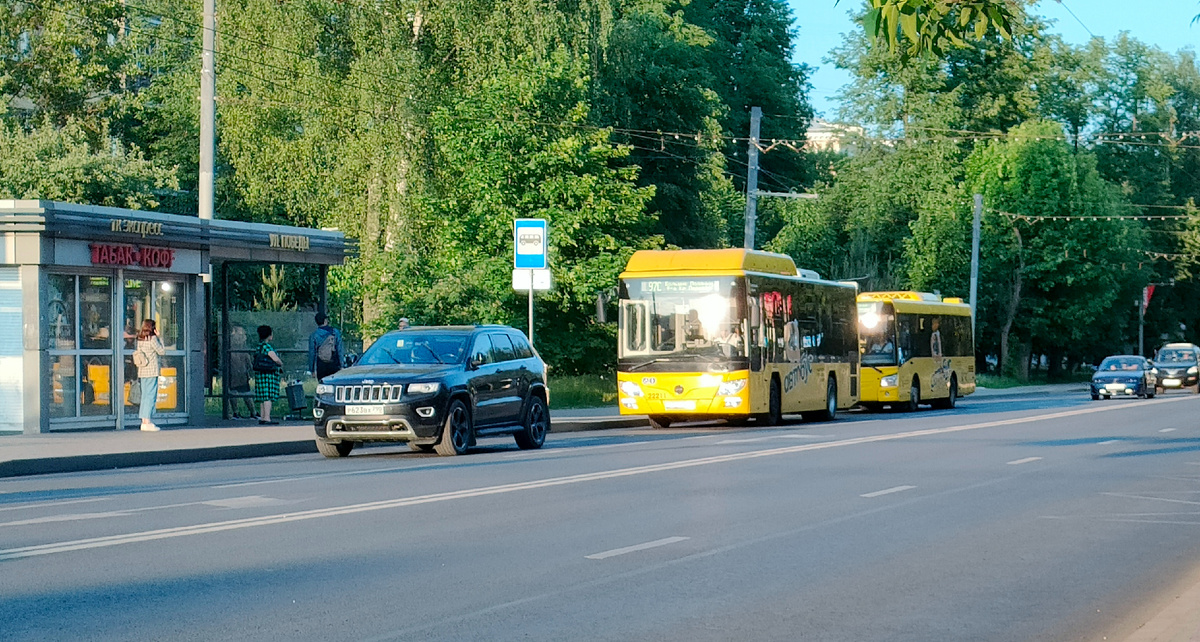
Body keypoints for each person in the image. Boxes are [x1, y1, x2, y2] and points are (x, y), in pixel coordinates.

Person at [133, 319, 166, 432]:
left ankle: (143, 420)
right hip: (152, 371)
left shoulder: (140, 339)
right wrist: (160, 337)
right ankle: (147, 422)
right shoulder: (152, 339)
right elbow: (161, 351)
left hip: (142, 371)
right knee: (151, 396)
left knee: (145, 396)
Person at [254, 325, 285, 425]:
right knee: (268, 396)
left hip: (260, 374)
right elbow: (275, 358)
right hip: (268, 374)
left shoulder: (259, 346)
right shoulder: (267, 347)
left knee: (263, 396)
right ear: (269, 335)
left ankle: (263, 417)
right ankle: (267, 417)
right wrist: (281, 363)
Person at [307, 312, 345, 380]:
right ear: (325, 320)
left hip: (321, 365)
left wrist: (312, 370)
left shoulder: (313, 336)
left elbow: (312, 354)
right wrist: (342, 365)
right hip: (334, 364)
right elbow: (340, 350)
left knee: (323, 385)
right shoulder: (335, 332)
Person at [227, 325, 255, 419]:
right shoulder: (230, 350)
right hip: (233, 375)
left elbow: (249, 364)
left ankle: (253, 412)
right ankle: (236, 412)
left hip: (242, 375)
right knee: (234, 393)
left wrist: (249, 371)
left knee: (246, 394)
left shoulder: (244, 351)